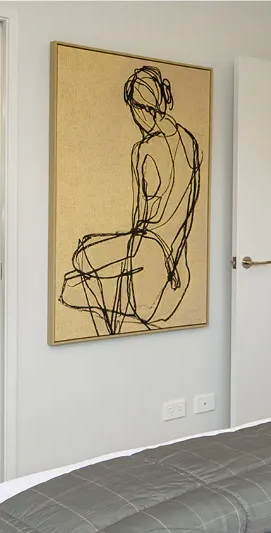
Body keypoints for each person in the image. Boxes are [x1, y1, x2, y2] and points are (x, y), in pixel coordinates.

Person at [60, 66, 202, 336]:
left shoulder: (145, 149)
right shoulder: (190, 142)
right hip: (178, 273)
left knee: (79, 262)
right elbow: (187, 213)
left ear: (138, 108)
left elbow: (140, 222)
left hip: (147, 276)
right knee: (87, 256)